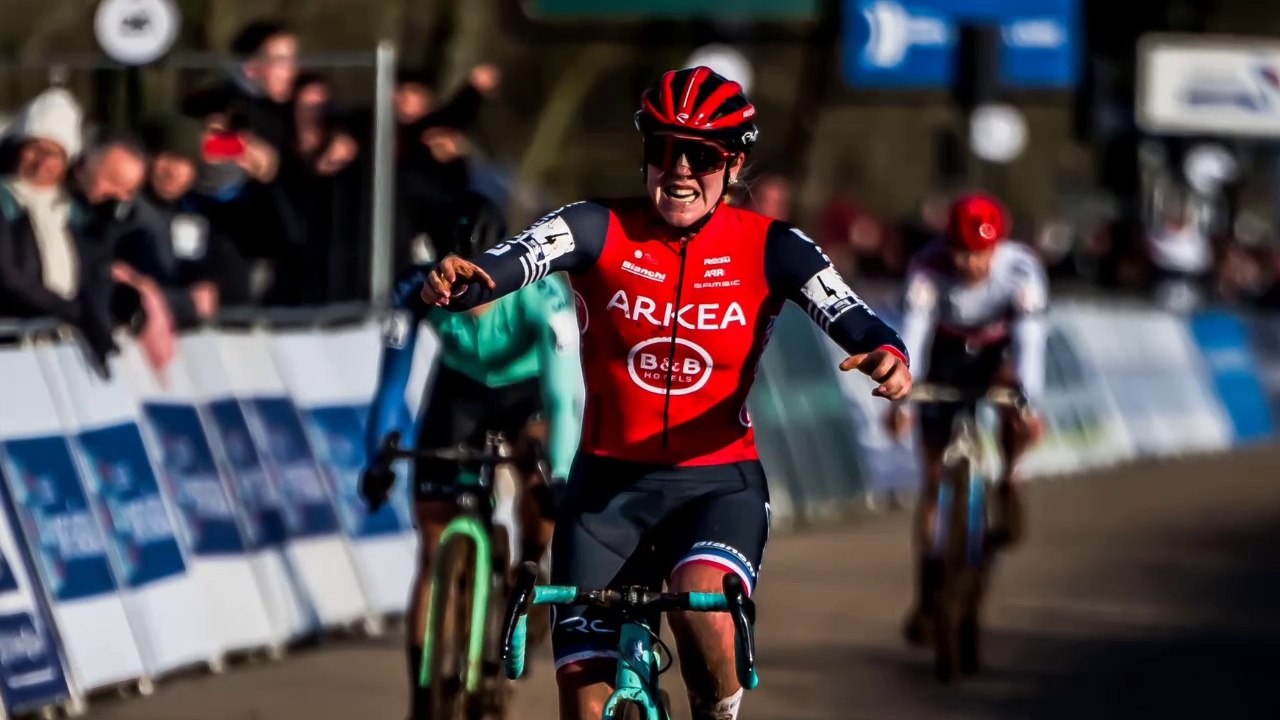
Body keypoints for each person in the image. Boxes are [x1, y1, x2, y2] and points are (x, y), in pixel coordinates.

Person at [416, 67, 912, 720]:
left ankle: (718, 709)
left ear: (733, 164)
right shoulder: (596, 224)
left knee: (702, 606)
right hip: (604, 496)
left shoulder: (772, 245)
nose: (678, 169)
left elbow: (849, 313)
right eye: (661, 148)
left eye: (700, 155)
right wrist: (470, 281)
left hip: (714, 488)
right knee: (585, 706)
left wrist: (886, 352)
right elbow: (519, 256)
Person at [361, 191, 585, 720]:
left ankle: (529, 576)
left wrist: (559, 474)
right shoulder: (415, 289)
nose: (470, 300)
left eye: (480, 284)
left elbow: (563, 395)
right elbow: (390, 388)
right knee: (432, 545)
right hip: (458, 394)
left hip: (527, 391)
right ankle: (423, 700)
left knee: (540, 502)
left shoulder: (544, 297)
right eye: (455, 284)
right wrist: (378, 460)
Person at [887, 192, 1048, 645]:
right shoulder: (926, 267)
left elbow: (1031, 342)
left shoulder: (1022, 270)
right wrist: (902, 402)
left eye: (980, 254)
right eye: (961, 252)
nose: (970, 264)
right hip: (945, 352)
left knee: (1015, 402)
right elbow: (912, 338)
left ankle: (1011, 475)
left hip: (997, 352)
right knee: (934, 475)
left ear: (998, 247)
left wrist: (1028, 406)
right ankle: (927, 590)